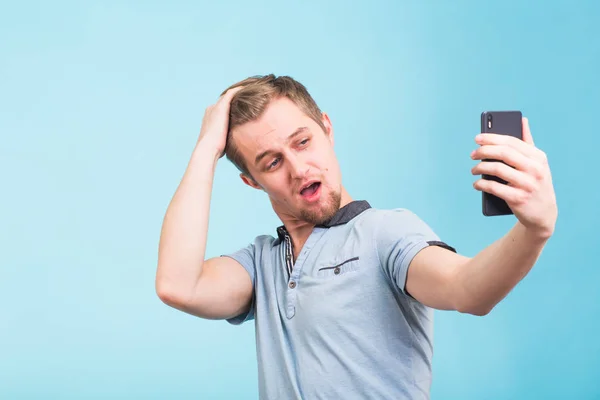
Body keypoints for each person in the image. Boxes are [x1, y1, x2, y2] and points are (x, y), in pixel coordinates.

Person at [155, 74, 557, 399]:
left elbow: (467, 288)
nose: (298, 168)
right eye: (272, 162)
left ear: (327, 129)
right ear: (250, 181)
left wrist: (534, 229)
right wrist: (206, 149)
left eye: (303, 141)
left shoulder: (386, 233)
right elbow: (178, 285)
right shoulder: (260, 266)